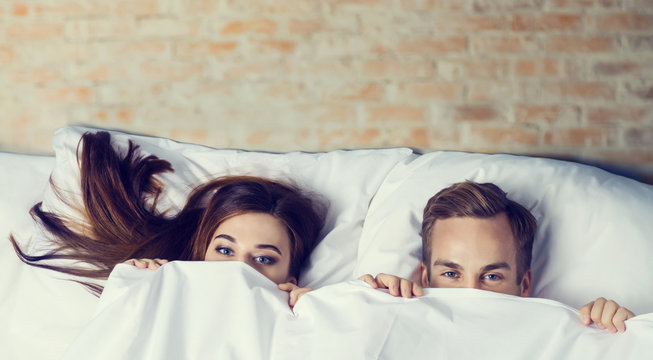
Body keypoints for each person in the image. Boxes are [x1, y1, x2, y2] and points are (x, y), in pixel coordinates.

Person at [10, 131, 325, 307]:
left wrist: (330, 319)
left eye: (263, 258)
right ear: (200, 255)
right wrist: (133, 293)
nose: (238, 269)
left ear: (290, 280)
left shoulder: (302, 322)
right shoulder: (157, 297)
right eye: (225, 250)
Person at [360, 181, 636, 333]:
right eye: (451, 274)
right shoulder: (390, 320)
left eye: (492, 276)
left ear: (524, 285)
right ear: (425, 277)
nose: (471, 295)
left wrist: (623, 337)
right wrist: (361, 307)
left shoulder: (558, 337)